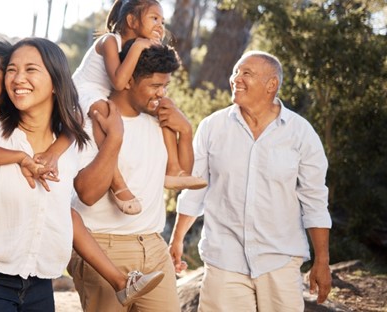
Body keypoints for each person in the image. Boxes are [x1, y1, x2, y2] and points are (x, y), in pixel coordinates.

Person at [0, 38, 164, 312]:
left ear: (56, 82)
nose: (19, 78)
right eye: (11, 69)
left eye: (31, 69)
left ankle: (119, 281)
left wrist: (110, 139)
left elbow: (75, 196)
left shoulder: (67, 144)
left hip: (40, 281)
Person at [169, 51, 332, 311]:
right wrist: (177, 238)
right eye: (236, 72)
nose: (236, 79)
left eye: (247, 73)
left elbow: (314, 201)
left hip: (279, 260)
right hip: (225, 259)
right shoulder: (212, 127)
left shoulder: (301, 134)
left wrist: (322, 261)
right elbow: (194, 189)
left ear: (272, 85)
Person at [69, 40, 189, 311]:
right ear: (128, 81)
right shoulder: (92, 121)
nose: (162, 94)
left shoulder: (158, 122)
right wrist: (114, 138)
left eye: (165, 86)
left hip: (153, 246)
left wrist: (187, 131)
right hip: (103, 246)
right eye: (155, 86)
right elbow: (87, 194)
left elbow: (182, 176)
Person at [71, 0, 206, 215]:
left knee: (165, 108)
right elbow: (119, 82)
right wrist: (141, 45)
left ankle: (173, 169)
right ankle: (118, 185)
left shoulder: (133, 50)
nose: (160, 26)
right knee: (105, 115)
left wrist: (186, 130)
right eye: (154, 18)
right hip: (84, 91)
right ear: (131, 21)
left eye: (162, 21)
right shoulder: (110, 41)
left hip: (107, 91)